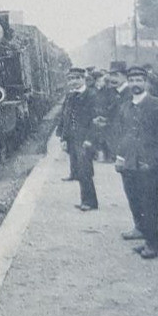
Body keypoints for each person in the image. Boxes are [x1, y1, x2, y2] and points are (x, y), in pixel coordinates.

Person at [108, 66, 158, 258]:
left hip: (148, 161)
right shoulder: (125, 106)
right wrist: (119, 157)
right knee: (133, 198)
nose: (135, 84)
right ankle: (143, 233)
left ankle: (153, 243)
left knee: (149, 201)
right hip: (129, 160)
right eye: (132, 80)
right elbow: (121, 133)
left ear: (146, 83)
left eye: (139, 80)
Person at [55, 68, 99, 210]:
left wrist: (90, 139)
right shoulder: (70, 96)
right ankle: (85, 200)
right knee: (80, 169)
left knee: (85, 170)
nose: (72, 81)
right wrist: (63, 138)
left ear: (83, 79)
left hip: (85, 138)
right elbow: (64, 117)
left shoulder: (91, 95)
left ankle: (90, 202)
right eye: (70, 79)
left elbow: (96, 120)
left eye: (76, 78)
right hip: (73, 138)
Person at [90, 66, 124, 162]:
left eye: (101, 81)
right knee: (99, 136)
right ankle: (101, 155)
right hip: (97, 115)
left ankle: (110, 155)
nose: (99, 83)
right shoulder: (94, 91)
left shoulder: (109, 91)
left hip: (106, 115)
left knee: (108, 136)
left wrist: (107, 111)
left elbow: (113, 103)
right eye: (98, 81)